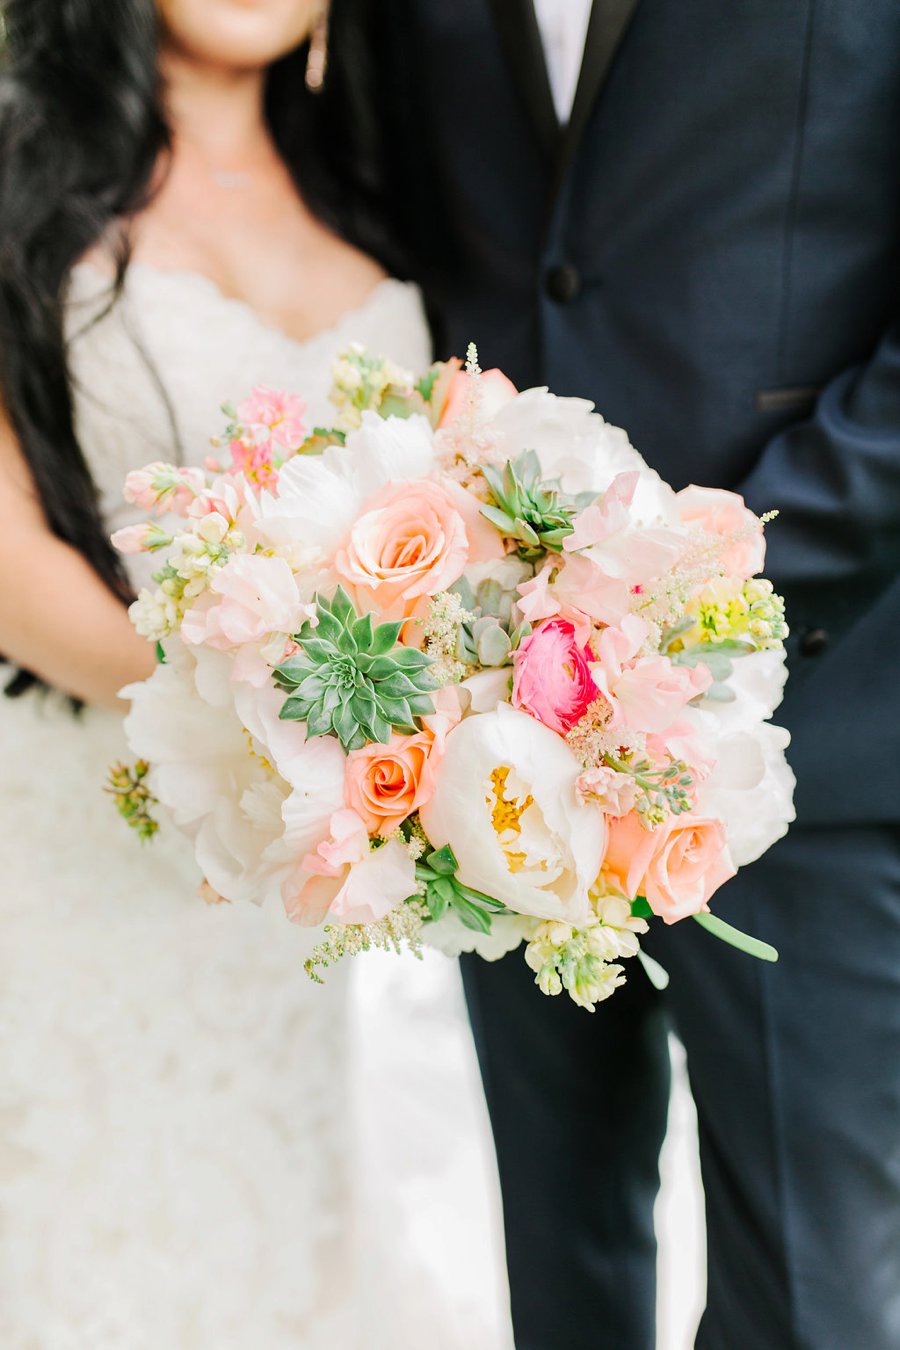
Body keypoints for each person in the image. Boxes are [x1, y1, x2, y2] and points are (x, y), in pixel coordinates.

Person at [368, 3, 900, 1348]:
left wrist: (715, 575)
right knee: (559, 1261)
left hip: (804, 710)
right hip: (491, 720)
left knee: (814, 1297)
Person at [0, 3, 509, 1346]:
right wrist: (292, 714)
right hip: (76, 852)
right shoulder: (16, 173)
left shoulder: (399, 183)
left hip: (300, 900)